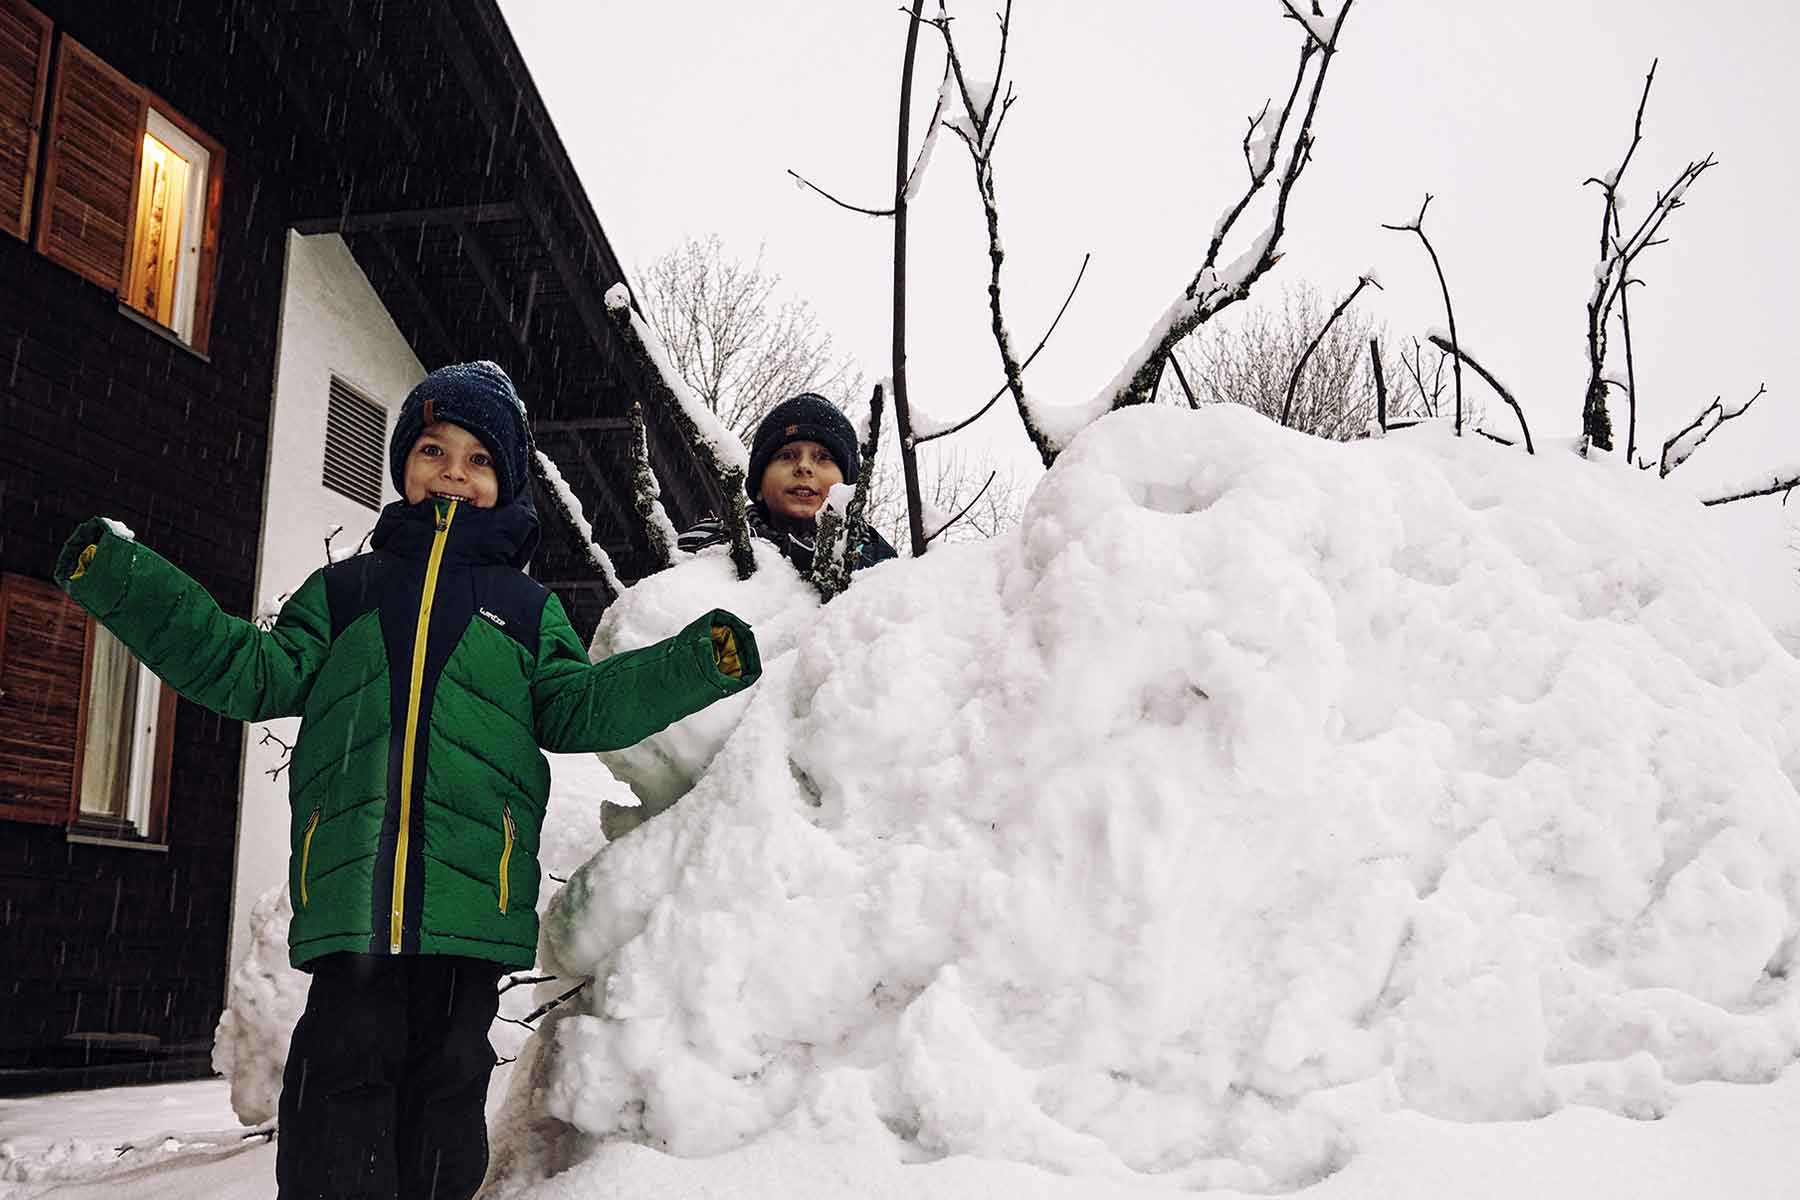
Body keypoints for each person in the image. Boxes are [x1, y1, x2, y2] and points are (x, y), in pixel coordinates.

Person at [54, 361, 760, 1200]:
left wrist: (695, 665)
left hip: (469, 911)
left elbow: (579, 708)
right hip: (354, 903)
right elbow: (249, 671)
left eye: (479, 458)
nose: (454, 472)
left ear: (507, 482)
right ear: (403, 465)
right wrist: (123, 579)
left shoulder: (527, 611)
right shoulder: (345, 592)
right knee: (334, 1096)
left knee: (444, 1100)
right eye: (433, 450)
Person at [677, 391, 898, 573]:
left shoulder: (881, 567)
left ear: (850, 489)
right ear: (759, 486)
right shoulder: (709, 543)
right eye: (786, 456)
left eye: (824, 457)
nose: (804, 467)